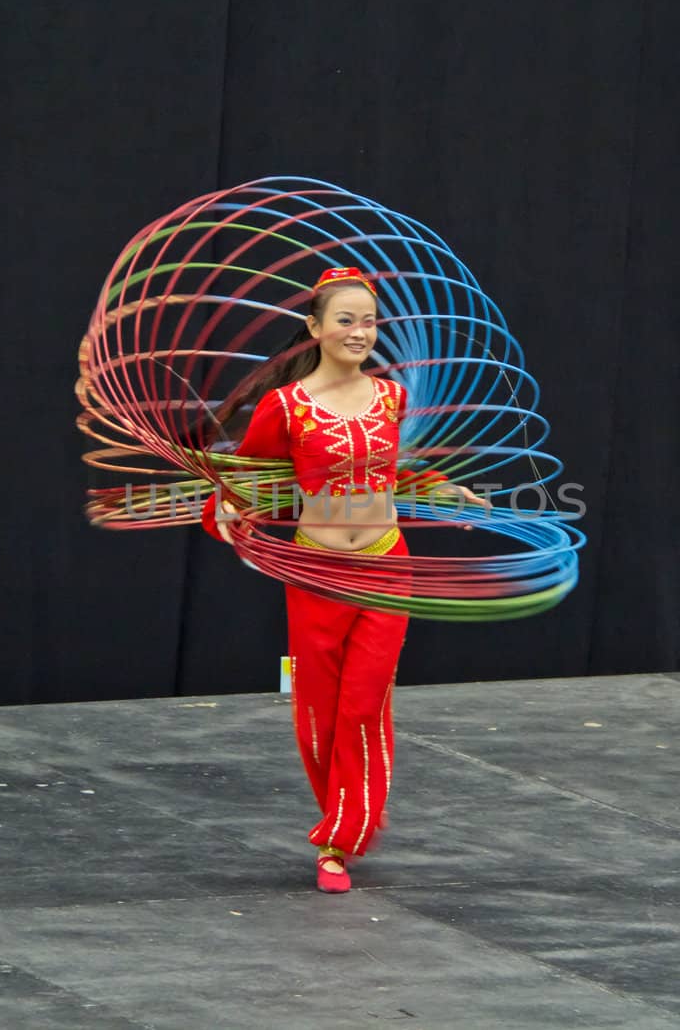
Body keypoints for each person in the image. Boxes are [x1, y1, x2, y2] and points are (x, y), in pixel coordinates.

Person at [201, 266, 487, 893]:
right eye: (346, 320)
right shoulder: (285, 406)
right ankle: (336, 818)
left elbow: (399, 472)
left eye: (370, 321)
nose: (362, 332)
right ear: (314, 329)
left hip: (387, 563)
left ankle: (339, 838)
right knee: (320, 709)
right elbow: (249, 477)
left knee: (364, 701)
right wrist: (226, 506)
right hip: (317, 573)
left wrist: (447, 493)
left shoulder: (392, 397)